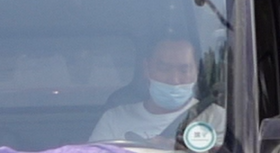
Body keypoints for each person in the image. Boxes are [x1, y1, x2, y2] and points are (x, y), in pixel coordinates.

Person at [90, 36, 225, 147]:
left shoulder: (216, 118)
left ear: (197, 71)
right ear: (146, 69)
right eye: (164, 69)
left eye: (184, 70)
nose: (174, 79)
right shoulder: (114, 119)